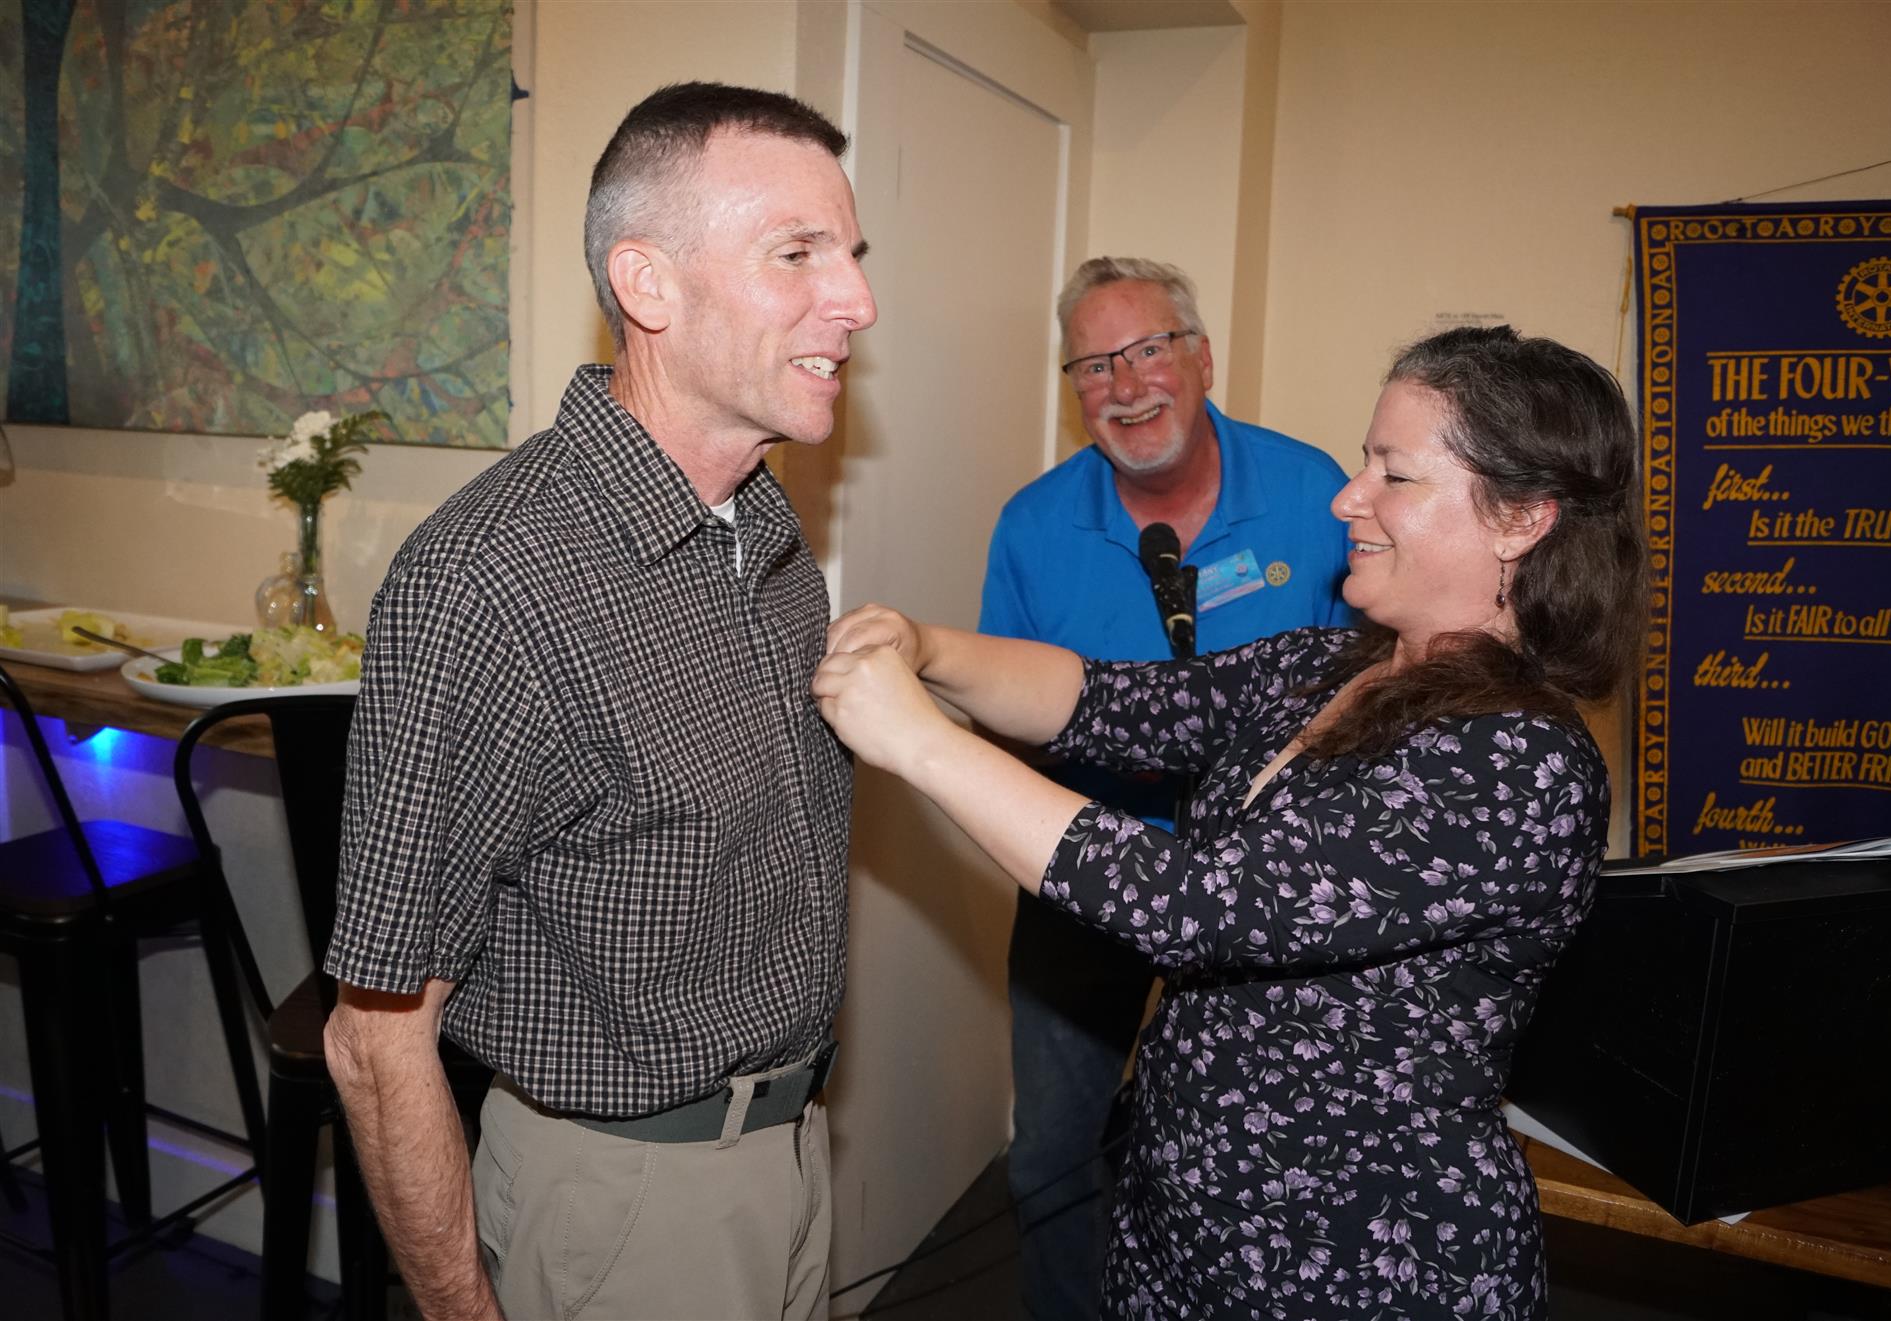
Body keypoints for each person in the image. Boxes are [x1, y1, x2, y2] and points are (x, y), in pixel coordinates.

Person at [815, 325, 1646, 1319]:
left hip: (1354, 1262)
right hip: (1185, 1233)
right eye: (1364, 463)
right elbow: (1104, 699)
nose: (1348, 498)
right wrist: (928, 646)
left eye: (1394, 475)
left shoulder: (1519, 761)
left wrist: (919, 743)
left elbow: (1196, 907)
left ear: (1520, 519)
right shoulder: (1324, 667)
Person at [322, 82, 876, 1321]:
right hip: (627, 1205)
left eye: (851, 254)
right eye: (799, 254)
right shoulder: (489, 580)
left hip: (795, 1153)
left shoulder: (764, 524)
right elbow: (375, 1035)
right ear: (648, 284)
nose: (856, 301)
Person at [984, 256, 1353, 1318]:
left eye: (1149, 349)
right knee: (1048, 1155)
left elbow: (1366, 697)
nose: (1127, 383)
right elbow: (1007, 723)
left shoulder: (1314, 493)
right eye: (1095, 364)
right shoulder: (1033, 526)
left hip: (1268, 890)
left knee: (1254, 1159)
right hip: (1088, 880)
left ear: (1202, 358)